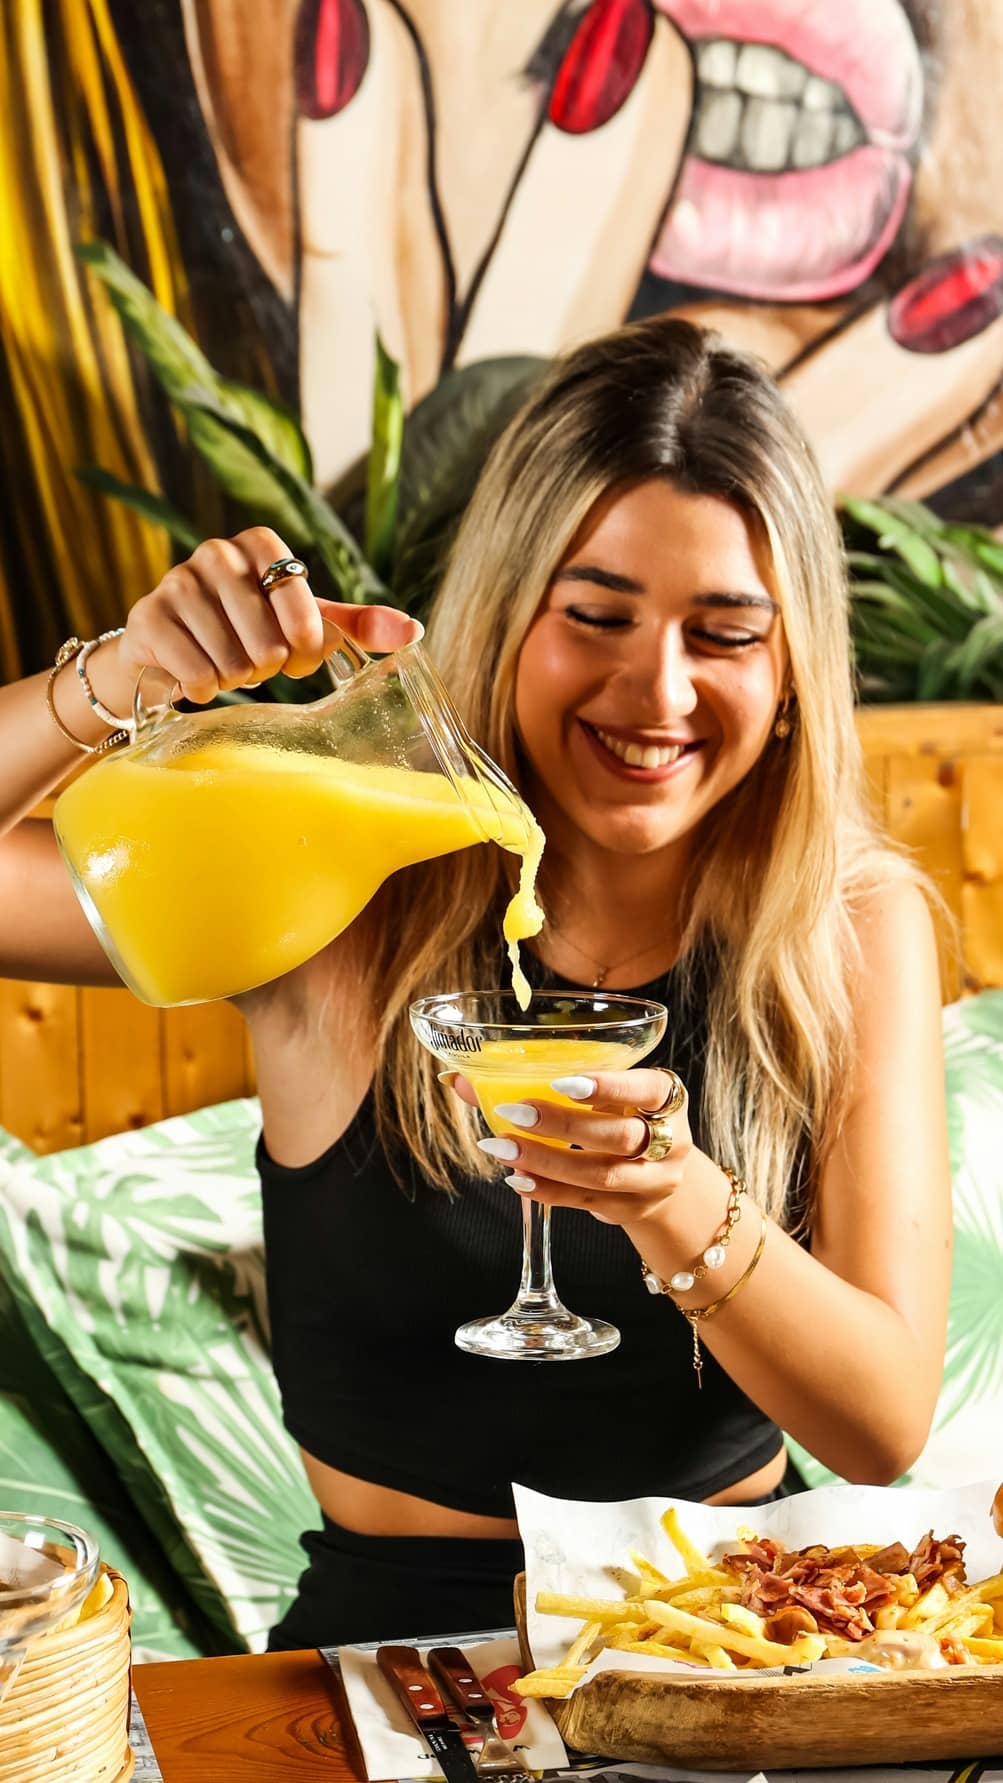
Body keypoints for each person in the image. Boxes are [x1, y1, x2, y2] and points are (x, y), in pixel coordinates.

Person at [0, 318, 951, 1649]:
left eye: (726, 633)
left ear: (790, 674)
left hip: (746, 1639)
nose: (656, 690)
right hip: (395, 1655)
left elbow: (884, 1425)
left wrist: (675, 1199)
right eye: (597, 616)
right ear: (507, 616)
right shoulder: (339, 887)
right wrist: (122, 676)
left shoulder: (848, 924)